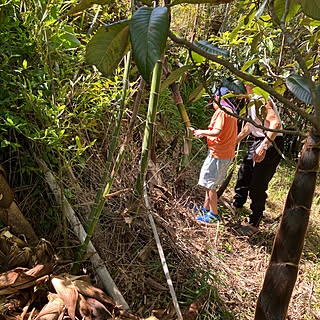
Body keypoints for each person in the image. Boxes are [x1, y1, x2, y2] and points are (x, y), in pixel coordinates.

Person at [232, 83, 284, 236]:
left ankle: (254, 222)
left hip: (271, 141)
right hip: (260, 139)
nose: (233, 92)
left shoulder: (261, 99)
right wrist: (236, 139)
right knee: (244, 171)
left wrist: (264, 146)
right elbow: (251, 124)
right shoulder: (250, 100)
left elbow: (275, 123)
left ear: (247, 85)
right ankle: (237, 204)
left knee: (257, 183)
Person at [192, 87, 238, 224]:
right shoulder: (233, 112)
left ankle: (213, 214)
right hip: (225, 153)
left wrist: (201, 131)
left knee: (209, 183)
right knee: (209, 182)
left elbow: (217, 131)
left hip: (218, 154)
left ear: (218, 99)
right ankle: (206, 208)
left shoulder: (222, 112)